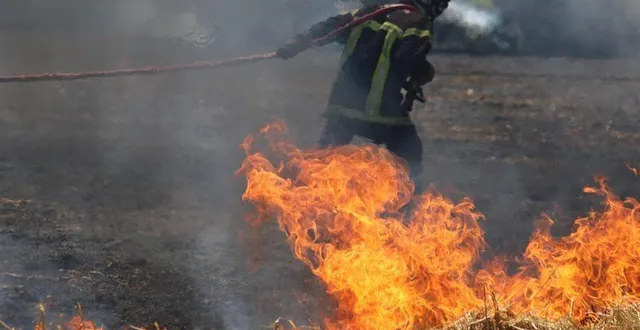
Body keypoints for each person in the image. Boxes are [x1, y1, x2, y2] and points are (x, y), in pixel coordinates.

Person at [275, 0, 450, 193]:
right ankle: (410, 207)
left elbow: (329, 28)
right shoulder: (418, 23)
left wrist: (297, 43)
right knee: (411, 157)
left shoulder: (365, 14)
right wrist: (423, 73)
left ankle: (303, 198)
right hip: (384, 115)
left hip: (342, 109)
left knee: (323, 162)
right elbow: (406, 60)